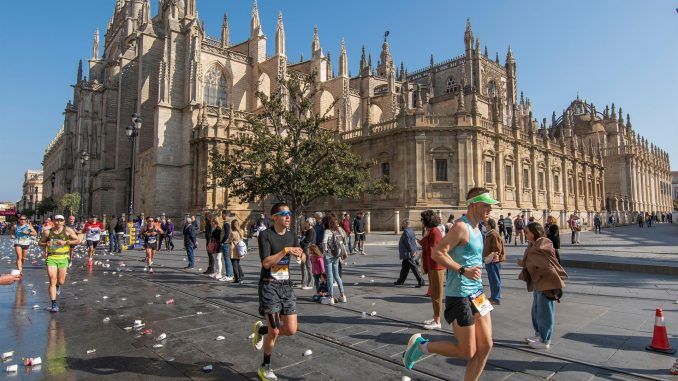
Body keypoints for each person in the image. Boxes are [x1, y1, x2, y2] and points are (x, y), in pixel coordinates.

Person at [403, 187, 498, 381]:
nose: (490, 209)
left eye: (490, 206)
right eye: (486, 205)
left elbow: (470, 258)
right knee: (467, 351)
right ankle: (421, 345)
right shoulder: (461, 227)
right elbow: (437, 253)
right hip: (460, 294)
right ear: (473, 205)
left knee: (486, 345)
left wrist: (485, 261)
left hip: (477, 293)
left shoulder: (478, 228)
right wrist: (463, 270)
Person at [251, 203, 304, 381]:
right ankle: (265, 367)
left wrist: (300, 254)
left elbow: (302, 257)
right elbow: (266, 263)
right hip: (269, 286)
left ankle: (262, 330)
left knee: (291, 329)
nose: (288, 216)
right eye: (284, 214)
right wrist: (285, 250)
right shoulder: (266, 235)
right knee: (275, 331)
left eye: (289, 213)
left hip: (286, 286)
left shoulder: (292, 235)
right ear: (274, 217)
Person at [517, 222, 568, 350]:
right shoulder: (532, 244)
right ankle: (539, 334)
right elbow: (532, 259)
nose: (525, 233)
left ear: (534, 232)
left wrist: (529, 263)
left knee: (545, 312)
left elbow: (545, 262)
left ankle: (545, 340)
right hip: (537, 281)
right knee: (536, 310)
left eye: (527, 231)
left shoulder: (543, 242)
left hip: (546, 282)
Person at [38, 215, 80, 312]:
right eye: (57, 220)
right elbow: (40, 243)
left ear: (64, 221)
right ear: (53, 221)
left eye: (61, 220)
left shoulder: (68, 230)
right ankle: (54, 304)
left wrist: (66, 242)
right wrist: (46, 244)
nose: (59, 222)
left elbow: (77, 240)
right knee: (52, 279)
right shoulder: (47, 232)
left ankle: (58, 285)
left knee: (61, 281)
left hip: (63, 257)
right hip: (51, 257)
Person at [419, 210, 444, 330]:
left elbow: (433, 250)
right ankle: (435, 317)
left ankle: (437, 320)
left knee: (437, 294)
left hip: (436, 266)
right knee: (434, 293)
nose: (421, 221)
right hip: (432, 265)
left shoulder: (434, 232)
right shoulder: (431, 231)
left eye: (422, 219)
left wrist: (423, 240)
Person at [322, 215, 348, 304]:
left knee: (329, 276)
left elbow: (324, 242)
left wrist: (324, 253)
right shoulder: (336, 230)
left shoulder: (327, 231)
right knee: (337, 275)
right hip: (336, 255)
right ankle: (343, 295)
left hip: (329, 256)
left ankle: (331, 297)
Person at [395, 218, 424, 287]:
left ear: (405, 224)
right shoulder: (411, 230)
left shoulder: (406, 231)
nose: (402, 224)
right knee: (404, 268)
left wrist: (412, 251)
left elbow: (408, 243)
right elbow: (413, 241)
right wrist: (414, 250)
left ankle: (421, 281)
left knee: (414, 268)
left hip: (407, 253)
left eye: (403, 223)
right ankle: (400, 281)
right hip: (408, 253)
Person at [482, 218, 505, 305]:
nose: (484, 225)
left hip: (493, 261)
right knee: (492, 279)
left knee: (495, 279)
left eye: (485, 224)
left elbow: (497, 249)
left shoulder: (493, 234)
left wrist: (492, 257)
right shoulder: (489, 234)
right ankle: (493, 296)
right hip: (489, 260)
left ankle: (496, 298)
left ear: (490, 225)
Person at [299, 218, 316, 290]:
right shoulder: (306, 231)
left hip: (307, 250)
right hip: (304, 250)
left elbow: (307, 241)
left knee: (308, 266)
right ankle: (303, 282)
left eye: (306, 222)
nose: (305, 223)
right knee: (303, 266)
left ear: (309, 223)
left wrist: (301, 242)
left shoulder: (312, 231)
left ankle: (310, 283)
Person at [230, 219, 246, 284]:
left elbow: (229, 240)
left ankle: (237, 278)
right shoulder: (241, 231)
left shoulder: (232, 233)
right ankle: (241, 276)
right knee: (238, 264)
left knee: (234, 265)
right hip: (239, 249)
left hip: (234, 249)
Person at [220, 210, 234, 281]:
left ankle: (229, 275)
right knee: (227, 259)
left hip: (226, 243)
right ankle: (229, 274)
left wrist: (222, 242)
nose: (221, 216)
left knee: (227, 259)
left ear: (225, 215)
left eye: (222, 215)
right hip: (227, 242)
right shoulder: (229, 222)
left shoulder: (226, 223)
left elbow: (226, 234)